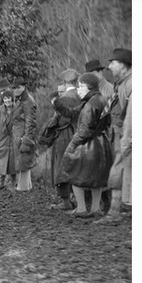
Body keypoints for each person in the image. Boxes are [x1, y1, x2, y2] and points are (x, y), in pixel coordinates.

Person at [57, 72, 113, 218]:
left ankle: (81, 208)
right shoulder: (100, 99)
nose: (78, 89)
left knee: (73, 172)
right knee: (97, 178)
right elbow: (107, 123)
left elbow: (85, 130)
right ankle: (95, 208)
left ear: (90, 87)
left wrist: (72, 144)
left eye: (81, 86)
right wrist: (57, 104)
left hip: (89, 145)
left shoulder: (90, 104)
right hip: (102, 142)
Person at [96, 48, 132, 224]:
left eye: (113, 63)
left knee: (117, 170)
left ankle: (114, 211)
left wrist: (126, 139)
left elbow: (132, 116)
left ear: (123, 66)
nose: (109, 66)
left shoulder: (131, 84)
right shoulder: (121, 83)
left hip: (125, 134)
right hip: (119, 133)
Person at [37, 69, 82, 210]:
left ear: (65, 82)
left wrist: (49, 128)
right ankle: (77, 198)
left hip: (65, 135)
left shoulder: (63, 99)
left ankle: (66, 201)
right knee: (77, 166)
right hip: (79, 133)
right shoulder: (82, 95)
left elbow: (61, 120)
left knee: (61, 167)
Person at [10, 76, 37, 192]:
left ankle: (24, 187)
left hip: (23, 135)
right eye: (14, 88)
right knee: (21, 162)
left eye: (18, 87)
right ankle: (24, 186)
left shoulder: (28, 101)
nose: (16, 90)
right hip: (18, 135)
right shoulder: (20, 99)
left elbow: (30, 122)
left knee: (24, 162)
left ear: (24, 87)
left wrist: (26, 140)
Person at [0, 89, 18, 191]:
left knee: (12, 161)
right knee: (1, 160)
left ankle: (13, 182)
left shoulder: (16, 109)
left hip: (13, 139)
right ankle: (2, 182)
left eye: (9, 98)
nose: (7, 100)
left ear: (12, 98)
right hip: (2, 140)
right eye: (5, 98)